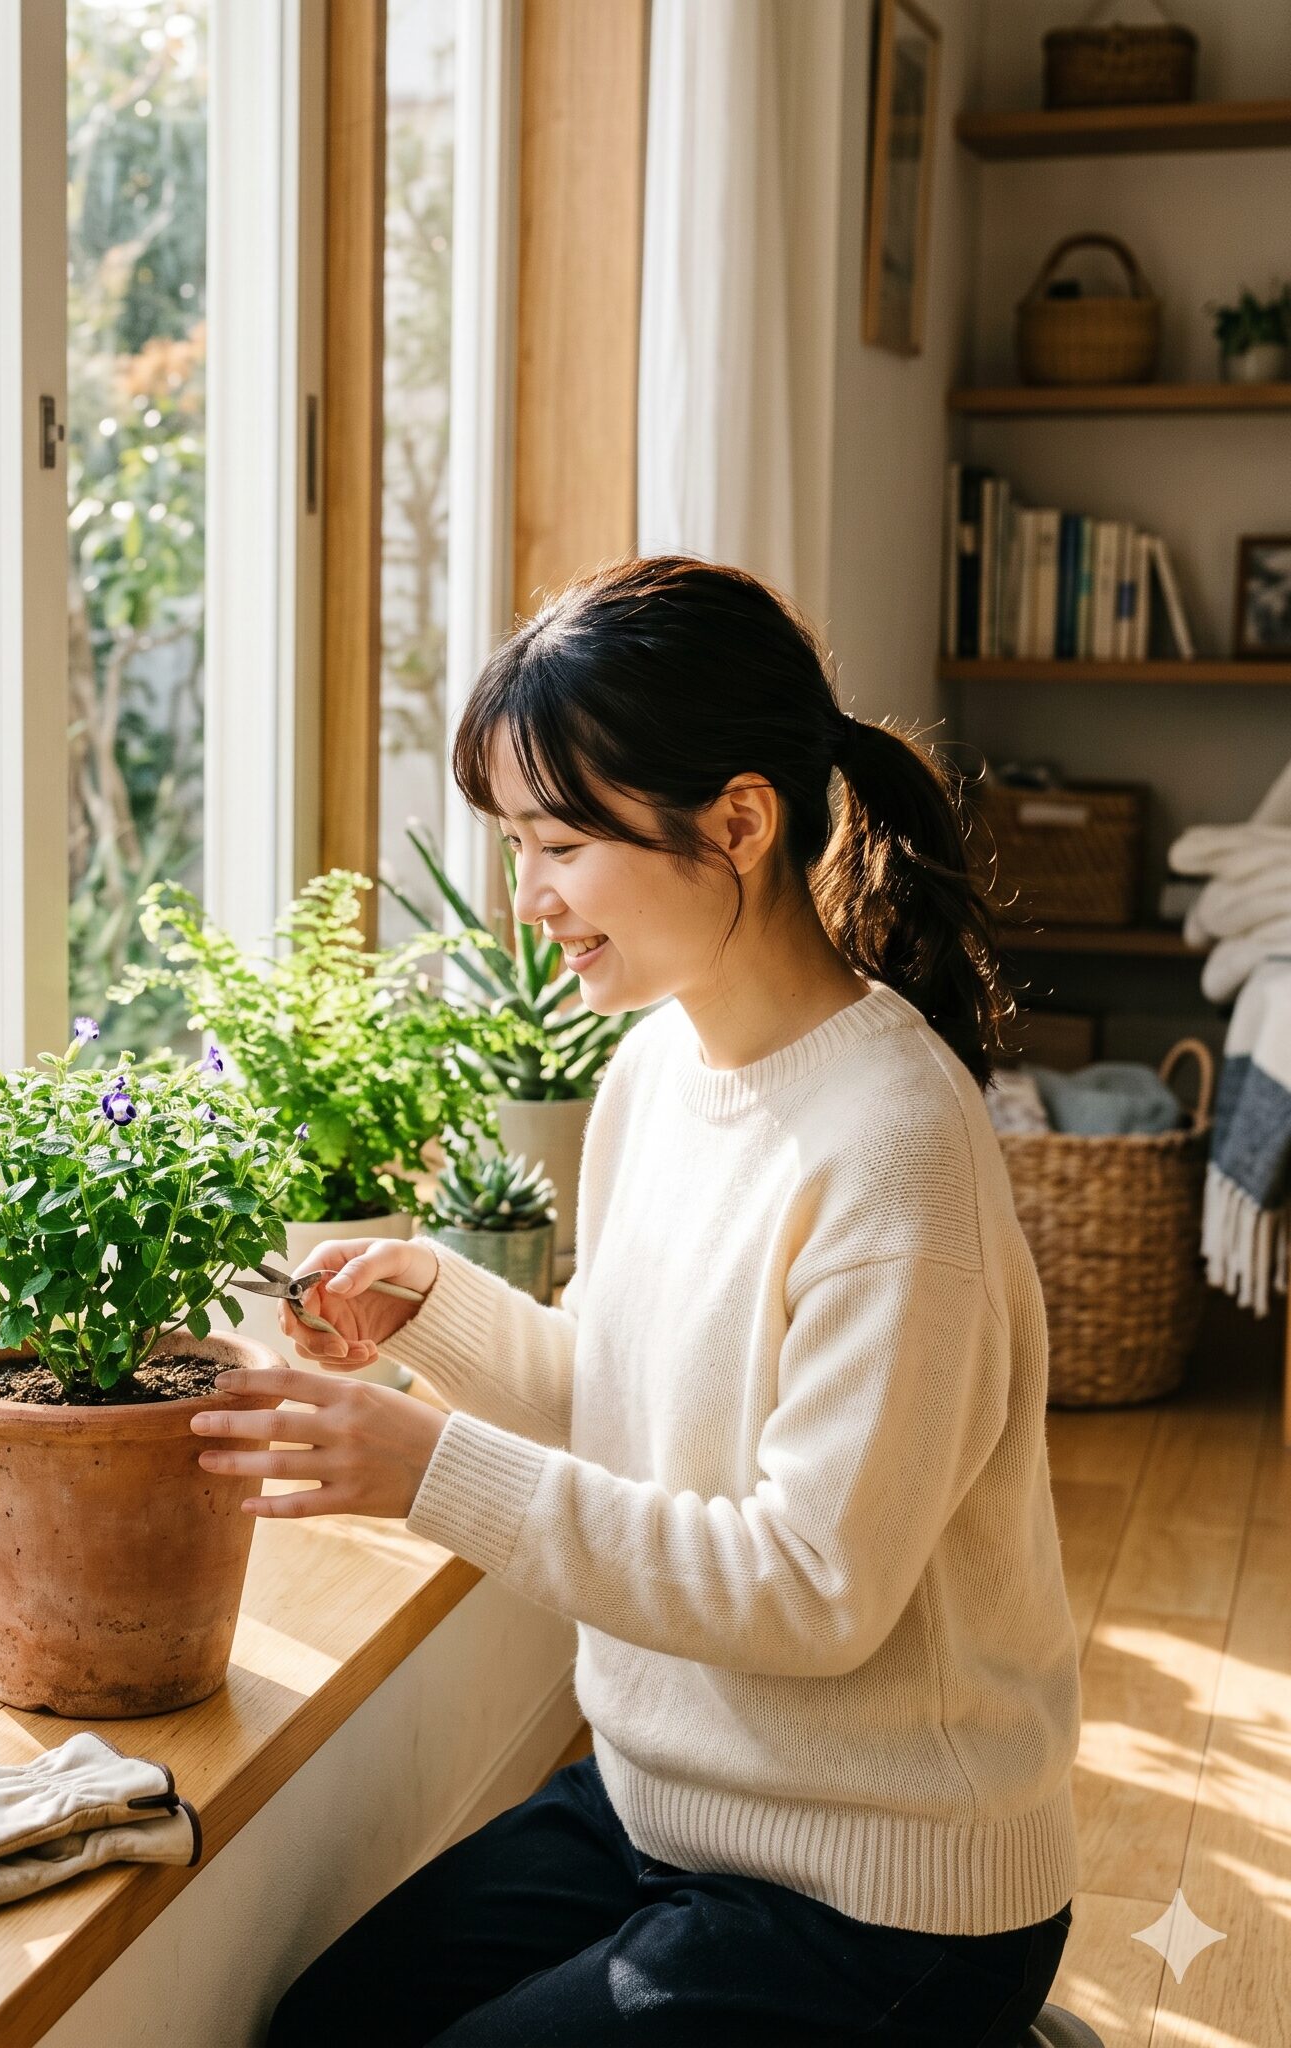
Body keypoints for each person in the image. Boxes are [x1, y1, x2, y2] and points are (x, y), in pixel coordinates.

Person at [192, 558, 1080, 2046]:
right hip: (664, 1807)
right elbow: (634, 1395)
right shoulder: (657, 1066)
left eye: (558, 848)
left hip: (888, 1888)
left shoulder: (896, 1153)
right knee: (322, 2029)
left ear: (739, 821)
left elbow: (814, 1592)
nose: (527, 901)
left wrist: (430, 1476)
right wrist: (434, 1314)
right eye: (514, 848)